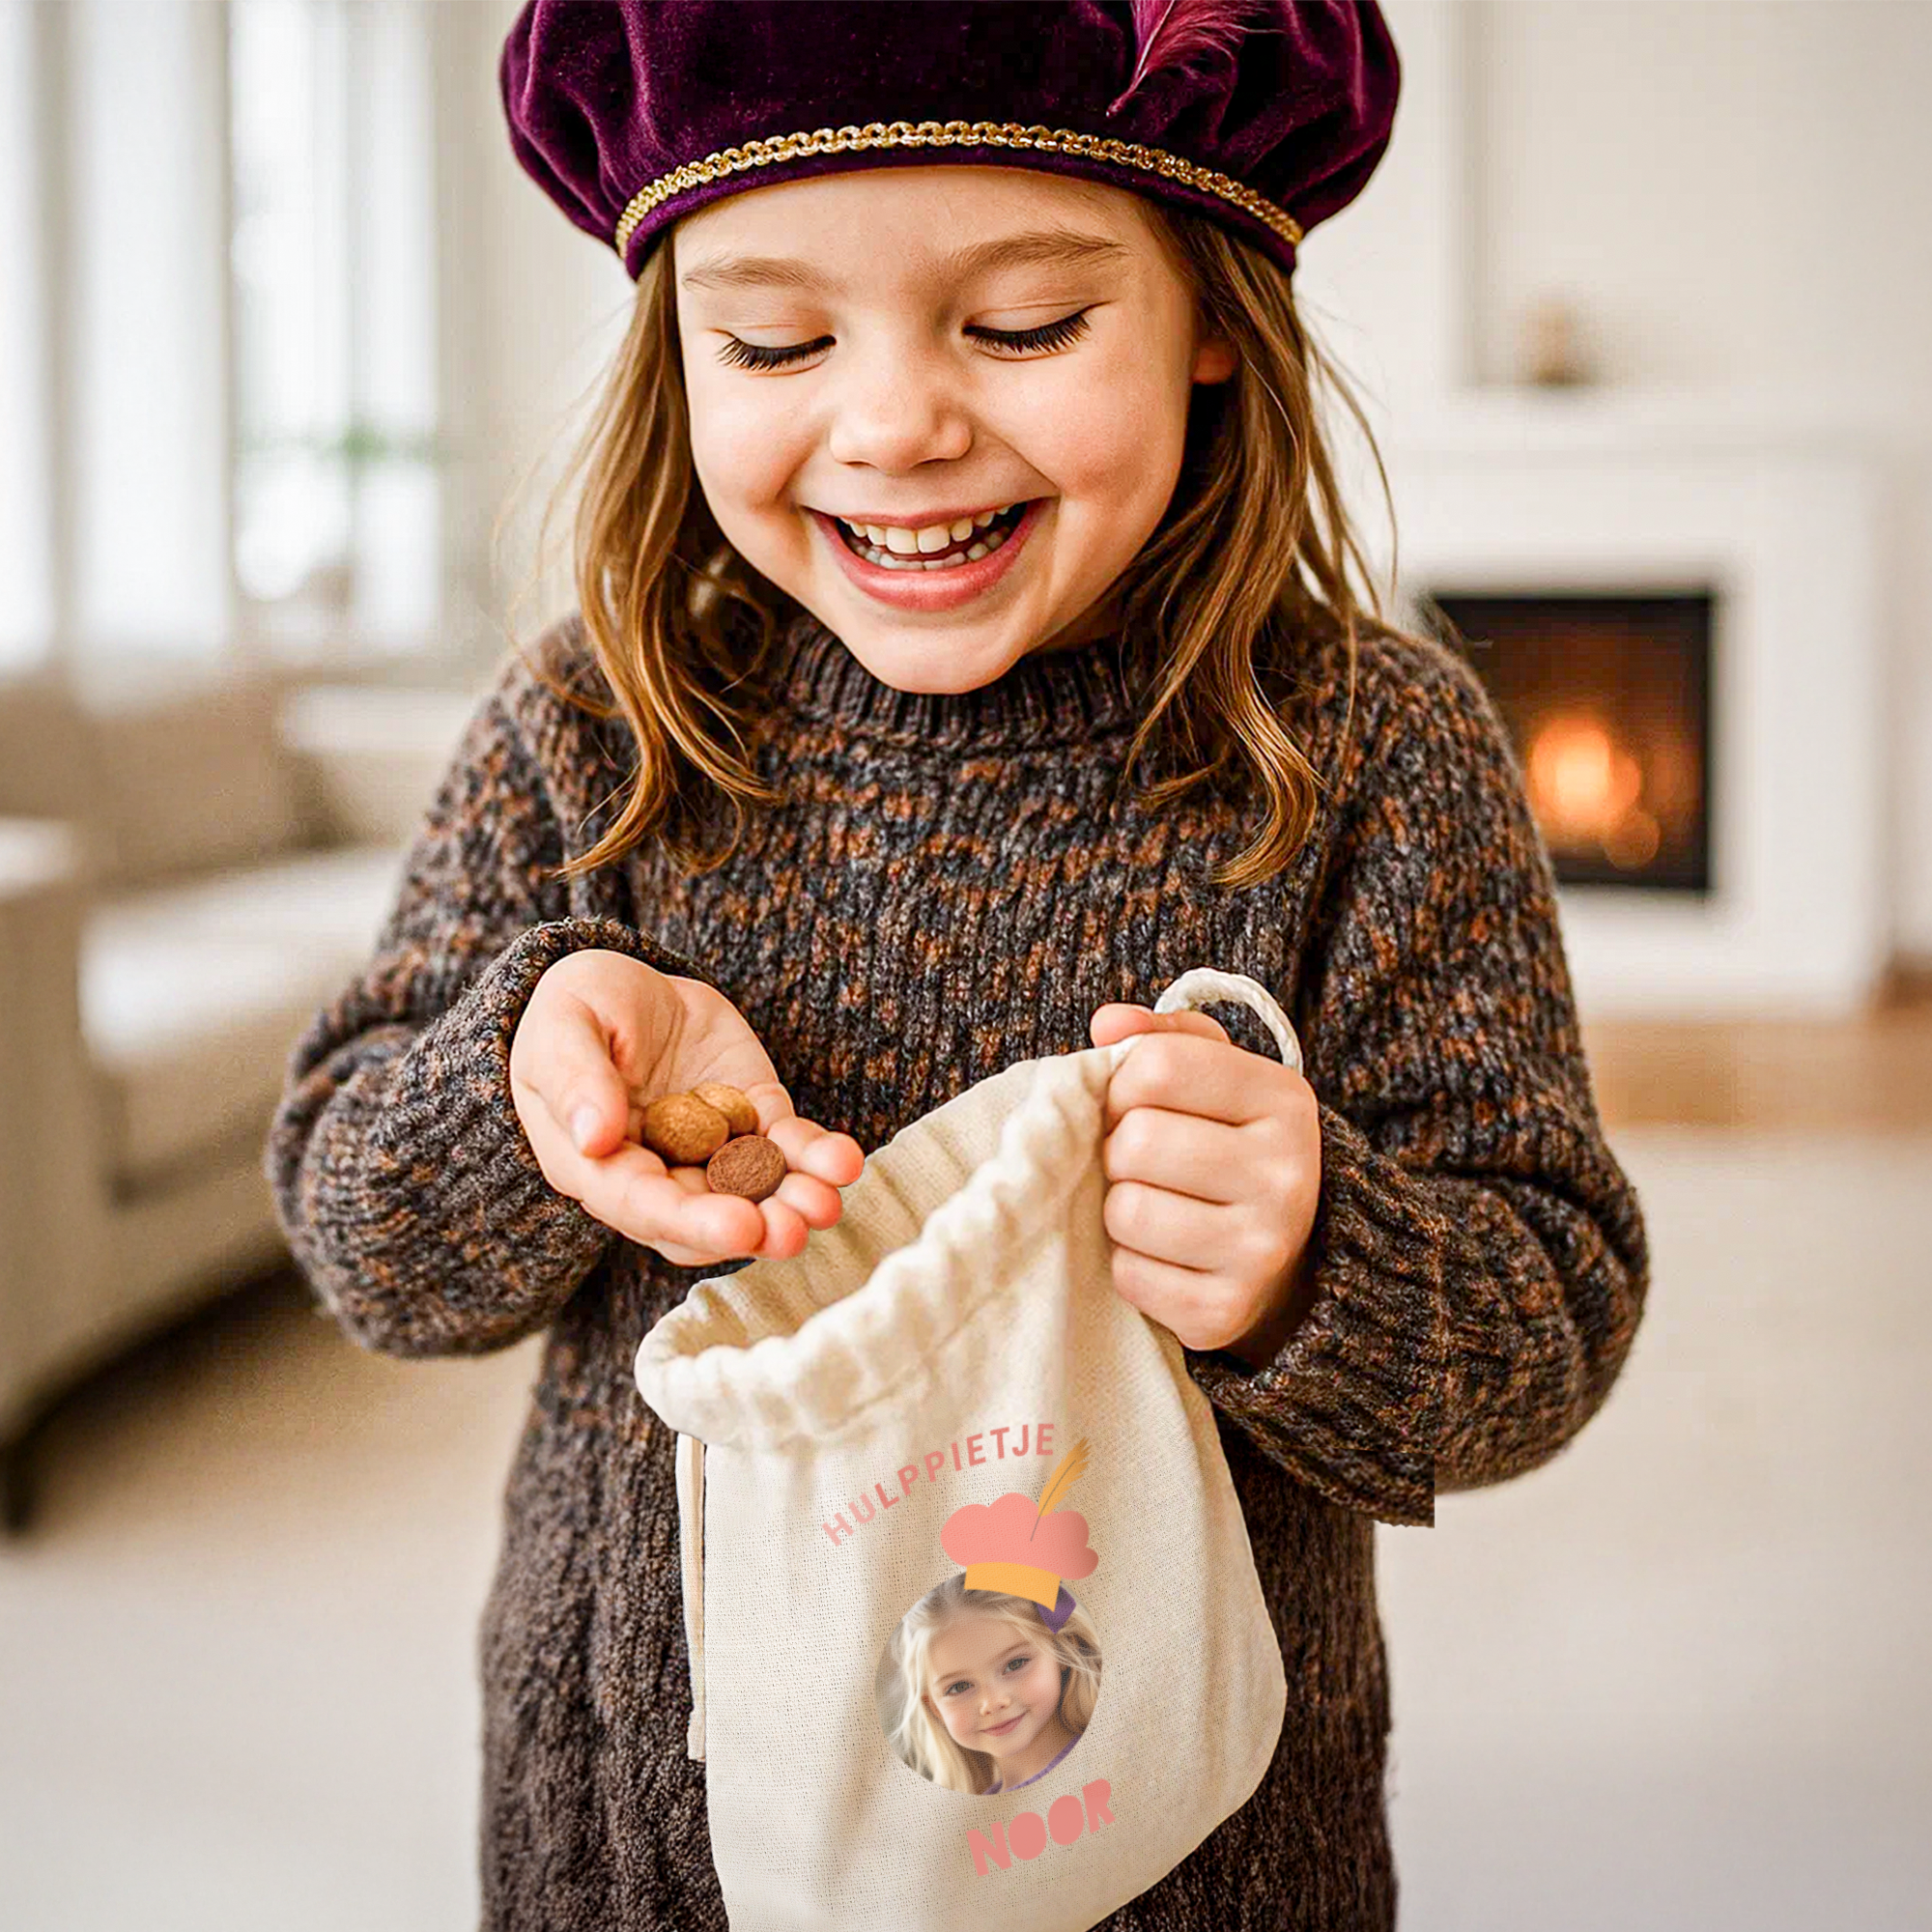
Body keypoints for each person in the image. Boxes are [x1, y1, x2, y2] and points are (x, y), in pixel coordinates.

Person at [264, 4, 1649, 1926]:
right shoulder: (589, 735)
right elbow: (360, 1238)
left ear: (1215, 312)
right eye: (772, 339)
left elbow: (1545, 1319)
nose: (897, 421)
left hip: (1180, 1856)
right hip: (653, 1847)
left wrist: (1311, 1253)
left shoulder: (1366, 756)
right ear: (675, 349)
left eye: (1019, 326)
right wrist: (521, 1081)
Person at [878, 1576, 1104, 1797]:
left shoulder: (1107, 1757)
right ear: (936, 1708)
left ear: (1062, 1650)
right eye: (959, 1687)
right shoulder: (971, 1821)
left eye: (1015, 1664)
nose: (993, 1702)